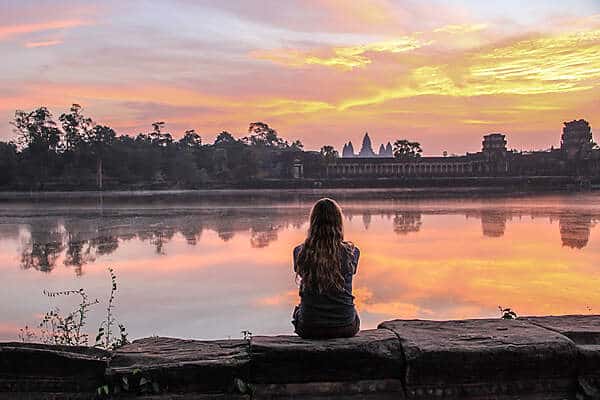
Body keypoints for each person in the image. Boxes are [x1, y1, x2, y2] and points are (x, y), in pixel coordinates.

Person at [292, 198, 360, 339]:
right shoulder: (352, 252)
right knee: (352, 310)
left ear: (313, 222)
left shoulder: (300, 252)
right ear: (339, 222)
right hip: (345, 326)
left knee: (298, 311)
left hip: (309, 328)